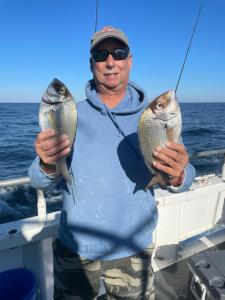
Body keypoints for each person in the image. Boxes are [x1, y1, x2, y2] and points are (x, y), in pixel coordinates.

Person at [29, 26, 196, 300]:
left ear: (130, 60)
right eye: (100, 54)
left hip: (133, 247)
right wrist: (46, 165)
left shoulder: (154, 117)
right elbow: (40, 182)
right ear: (91, 63)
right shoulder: (69, 112)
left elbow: (185, 177)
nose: (110, 61)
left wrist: (177, 175)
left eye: (119, 53)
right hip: (76, 248)